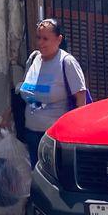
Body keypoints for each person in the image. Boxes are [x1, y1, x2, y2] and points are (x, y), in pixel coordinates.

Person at [17, 18, 89, 167]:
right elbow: (24, 90)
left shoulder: (67, 63)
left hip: (54, 138)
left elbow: (80, 99)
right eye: (38, 38)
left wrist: (77, 131)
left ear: (58, 39)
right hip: (31, 134)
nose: (41, 43)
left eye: (45, 39)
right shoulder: (33, 59)